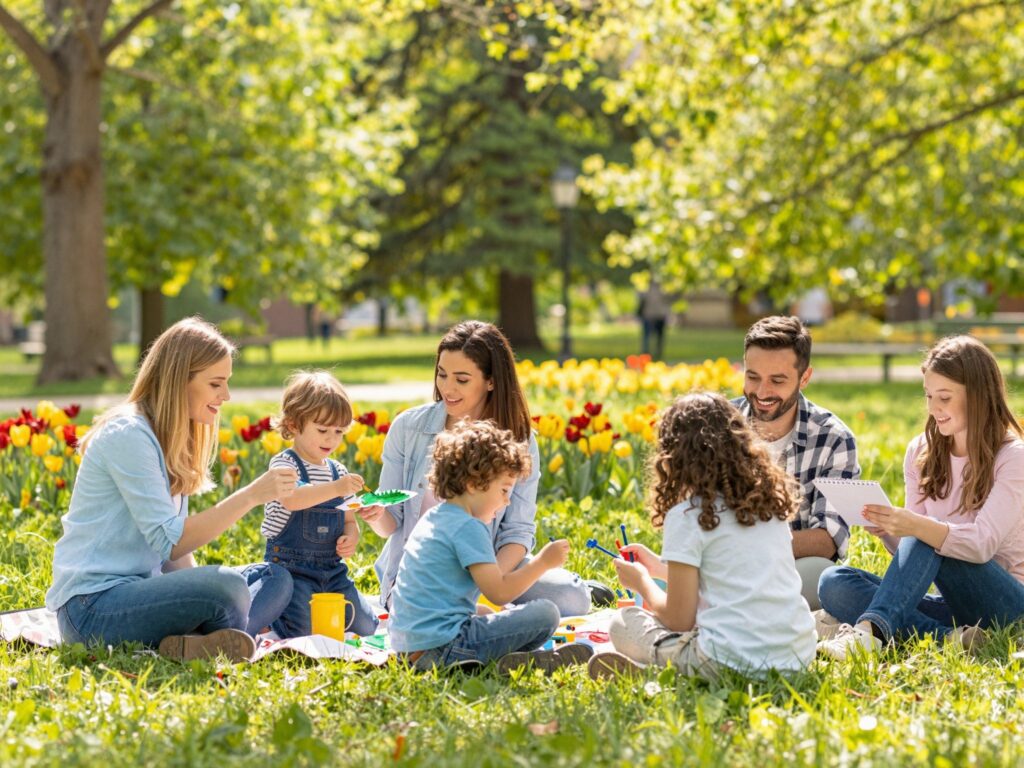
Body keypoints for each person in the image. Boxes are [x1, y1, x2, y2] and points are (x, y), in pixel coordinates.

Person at [46, 317, 297, 662]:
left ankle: (202, 641)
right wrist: (251, 495)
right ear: (181, 381)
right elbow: (172, 540)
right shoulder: (128, 434)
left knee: (276, 577)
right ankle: (215, 635)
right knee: (229, 588)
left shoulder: (174, 437)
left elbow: (173, 557)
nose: (226, 396)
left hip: (141, 591)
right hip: (92, 609)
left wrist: (194, 592)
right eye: (215, 384)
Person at [358, 320, 592, 616]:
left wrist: (486, 583)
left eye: (462, 379)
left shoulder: (518, 439)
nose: (447, 388)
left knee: (571, 598)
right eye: (442, 375)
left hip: (491, 563)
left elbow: (517, 532)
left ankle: (520, 602)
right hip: (422, 572)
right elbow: (391, 522)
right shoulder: (409, 428)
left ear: (491, 380)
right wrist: (376, 515)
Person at [817, 336, 1024, 659]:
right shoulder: (921, 452)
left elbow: (982, 543)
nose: (932, 408)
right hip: (954, 606)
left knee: (924, 530)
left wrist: (914, 525)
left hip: (1007, 604)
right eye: (929, 396)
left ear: (979, 396)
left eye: (944, 397)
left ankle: (869, 634)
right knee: (834, 582)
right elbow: (916, 557)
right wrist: (889, 529)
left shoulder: (1013, 458)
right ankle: (952, 641)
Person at [588, 393, 816, 680]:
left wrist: (643, 582)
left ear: (673, 456)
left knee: (623, 622)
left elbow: (678, 620)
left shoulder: (688, 515)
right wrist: (659, 567)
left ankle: (651, 670)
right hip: (797, 657)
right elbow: (733, 575)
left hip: (729, 662)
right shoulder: (768, 503)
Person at [389, 420, 591, 672]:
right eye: (504, 490)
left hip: (409, 650)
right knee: (546, 613)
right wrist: (543, 563)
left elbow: (441, 596)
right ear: (474, 484)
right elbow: (499, 592)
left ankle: (508, 659)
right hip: (447, 648)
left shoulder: (434, 517)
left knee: (485, 613)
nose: (506, 501)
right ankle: (521, 661)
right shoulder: (468, 527)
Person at [732, 315, 860, 609]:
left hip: (792, 570)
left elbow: (828, 539)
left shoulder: (834, 439)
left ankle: (734, 612)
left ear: (804, 378)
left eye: (777, 380)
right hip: (725, 566)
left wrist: (751, 546)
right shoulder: (721, 426)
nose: (762, 392)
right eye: (753, 377)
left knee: (822, 577)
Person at [262, 371, 383, 637]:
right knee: (303, 631)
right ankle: (270, 616)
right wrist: (338, 488)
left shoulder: (338, 470)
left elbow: (349, 520)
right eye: (322, 430)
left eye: (339, 431)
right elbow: (293, 500)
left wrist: (350, 538)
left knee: (366, 627)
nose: (331, 439)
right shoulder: (285, 463)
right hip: (291, 572)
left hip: (332, 570)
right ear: (293, 425)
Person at [637, 278, 672, 360]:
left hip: (654, 315)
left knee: (652, 336)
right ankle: (649, 353)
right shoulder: (663, 289)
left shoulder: (647, 288)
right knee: (653, 337)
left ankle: (650, 354)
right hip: (654, 315)